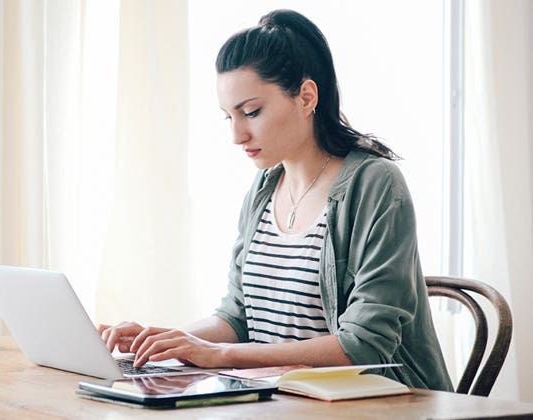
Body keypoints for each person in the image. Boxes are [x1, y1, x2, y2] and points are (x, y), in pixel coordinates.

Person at [99, 9, 453, 391]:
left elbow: (363, 346)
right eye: (228, 117)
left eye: (251, 112)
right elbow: (237, 318)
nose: (237, 135)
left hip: (379, 405)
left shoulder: (375, 184)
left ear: (306, 97)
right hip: (283, 401)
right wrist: (162, 341)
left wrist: (222, 356)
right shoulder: (265, 190)